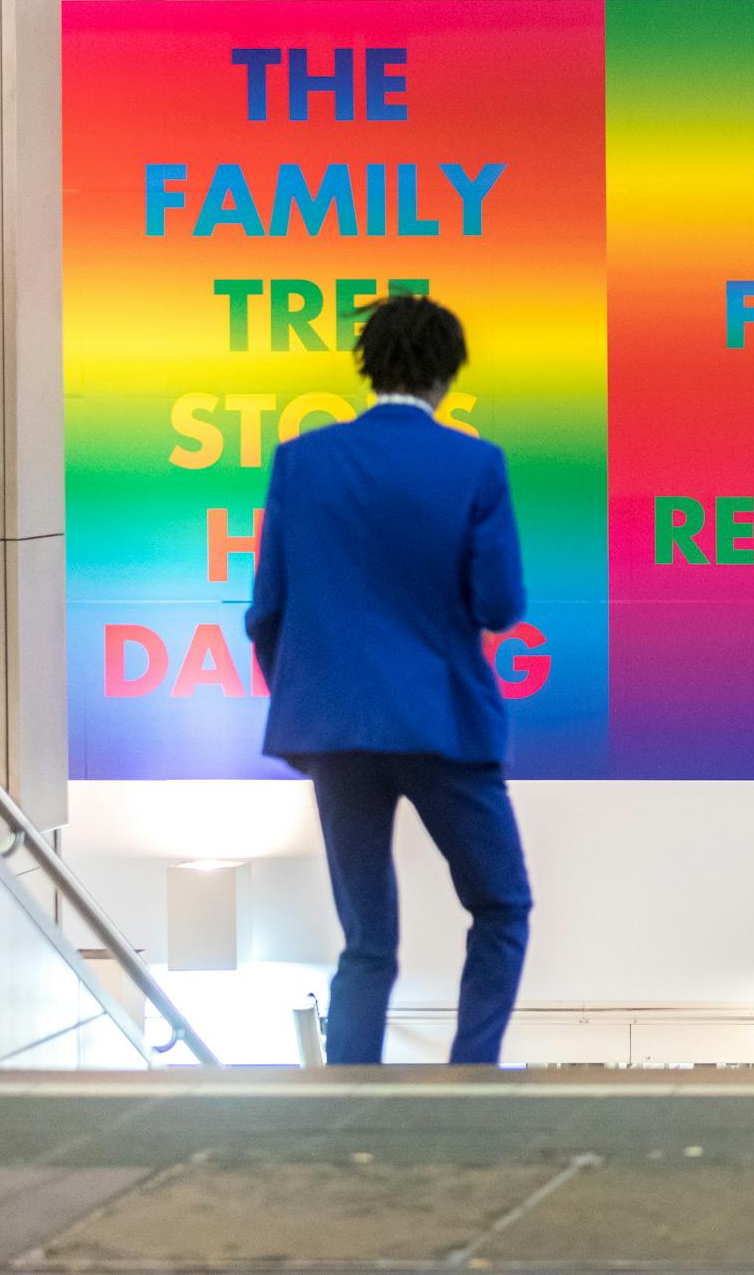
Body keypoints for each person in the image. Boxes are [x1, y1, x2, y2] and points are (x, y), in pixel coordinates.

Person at [245, 295, 532, 1066]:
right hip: (444, 725)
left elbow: (265, 608)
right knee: (501, 905)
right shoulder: (475, 464)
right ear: (447, 374)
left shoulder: (300, 462)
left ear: (366, 365)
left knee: (367, 941)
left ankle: (351, 1097)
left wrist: (308, 704)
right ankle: (469, 1075)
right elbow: (500, 605)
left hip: (333, 729)